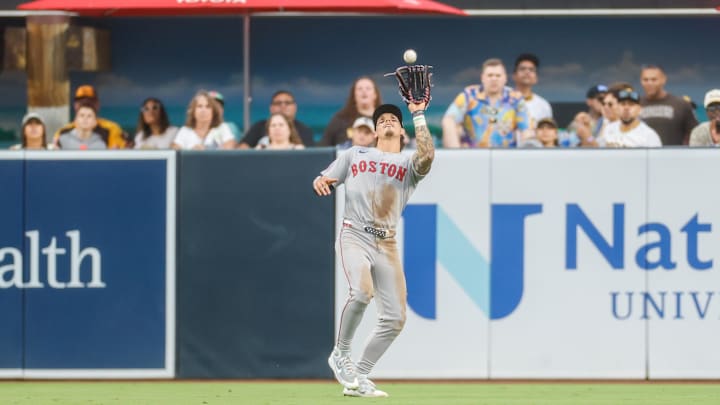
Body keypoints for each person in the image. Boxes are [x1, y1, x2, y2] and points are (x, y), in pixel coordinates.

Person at [314, 101, 434, 398]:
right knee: (361, 291)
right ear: (375, 130)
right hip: (354, 234)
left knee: (395, 318)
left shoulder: (408, 164)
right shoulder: (355, 154)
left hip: (386, 242)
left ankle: (361, 375)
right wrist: (321, 180)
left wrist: (418, 114)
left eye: (394, 118)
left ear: (402, 131)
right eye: (382, 120)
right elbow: (324, 177)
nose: (388, 121)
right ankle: (340, 353)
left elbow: (428, 155)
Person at [442, 58, 530, 148]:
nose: (494, 79)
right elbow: (448, 120)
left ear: (505, 78)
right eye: (490, 75)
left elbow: (526, 131)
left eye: (498, 75)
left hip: (506, 157)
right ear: (482, 78)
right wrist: (456, 153)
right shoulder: (469, 95)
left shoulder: (516, 98)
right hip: (471, 156)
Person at [54, 85, 130, 149]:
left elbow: (116, 155)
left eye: (89, 101)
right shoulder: (63, 132)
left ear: (97, 104)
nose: (85, 104)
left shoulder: (111, 129)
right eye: (81, 102)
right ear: (75, 105)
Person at [639, 64, 698, 145]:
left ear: (663, 80)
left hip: (673, 156)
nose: (649, 83)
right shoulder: (635, 106)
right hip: (641, 156)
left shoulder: (681, 105)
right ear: (641, 81)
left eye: (654, 79)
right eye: (645, 80)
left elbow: (696, 134)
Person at [319, 76, 382, 146]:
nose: (364, 91)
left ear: (375, 94)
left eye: (368, 88)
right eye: (359, 89)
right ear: (354, 95)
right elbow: (324, 145)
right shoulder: (341, 118)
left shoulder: (385, 119)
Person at [239, 90, 314, 148]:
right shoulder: (259, 126)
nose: (283, 106)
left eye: (287, 103)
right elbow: (242, 150)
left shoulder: (304, 130)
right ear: (271, 108)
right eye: (278, 103)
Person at [512, 53, 553, 126]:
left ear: (536, 78)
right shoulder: (502, 101)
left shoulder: (543, 105)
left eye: (531, 70)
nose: (527, 72)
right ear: (514, 76)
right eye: (522, 69)